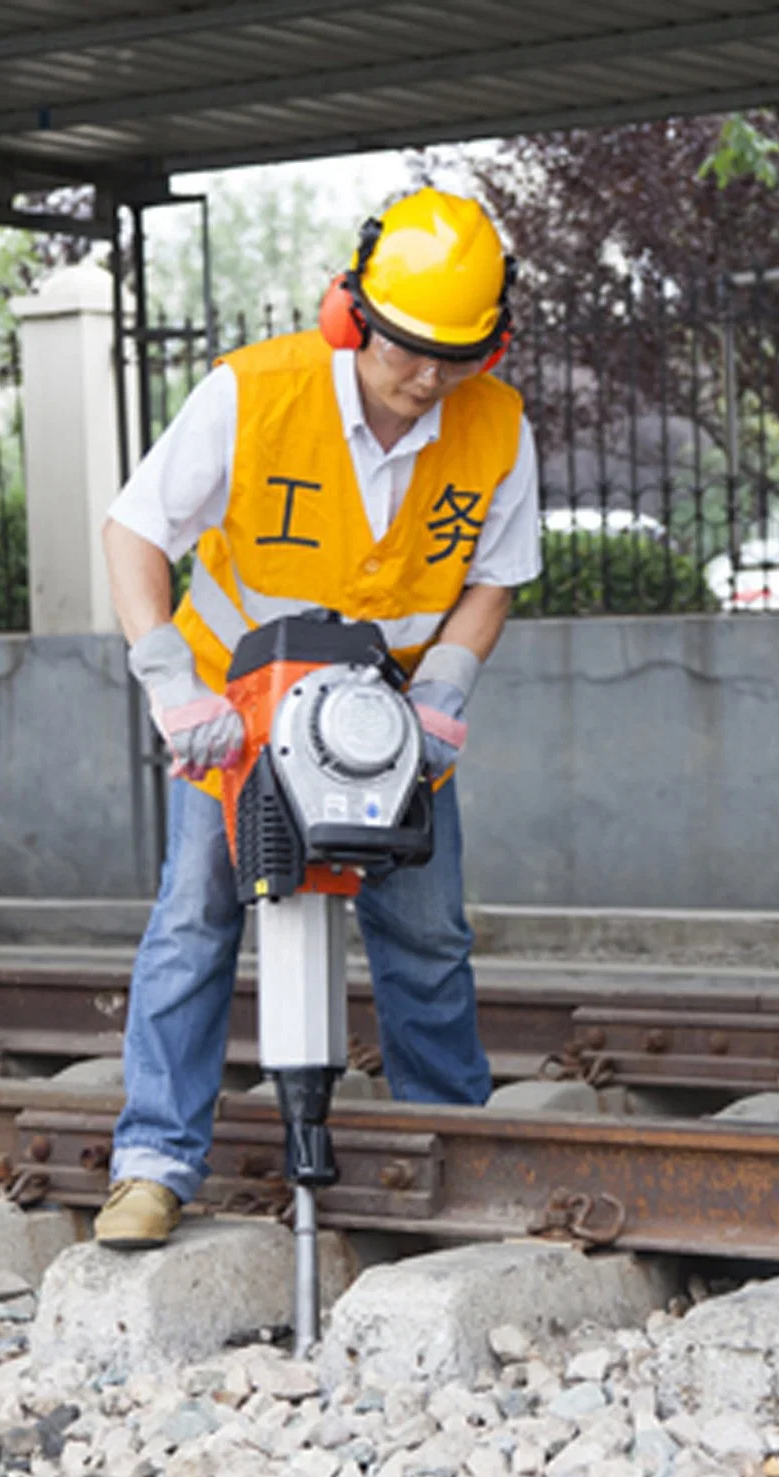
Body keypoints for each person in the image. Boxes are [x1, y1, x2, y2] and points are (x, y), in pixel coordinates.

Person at [93, 187, 541, 1248]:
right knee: (198, 919)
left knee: (427, 935)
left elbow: (496, 575)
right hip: (237, 720)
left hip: (391, 729)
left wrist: (446, 691)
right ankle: (154, 1163)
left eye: (457, 356)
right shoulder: (254, 394)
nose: (428, 376)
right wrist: (170, 685)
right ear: (353, 314)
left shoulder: (498, 426)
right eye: (407, 349)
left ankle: (449, 1150)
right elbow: (134, 530)